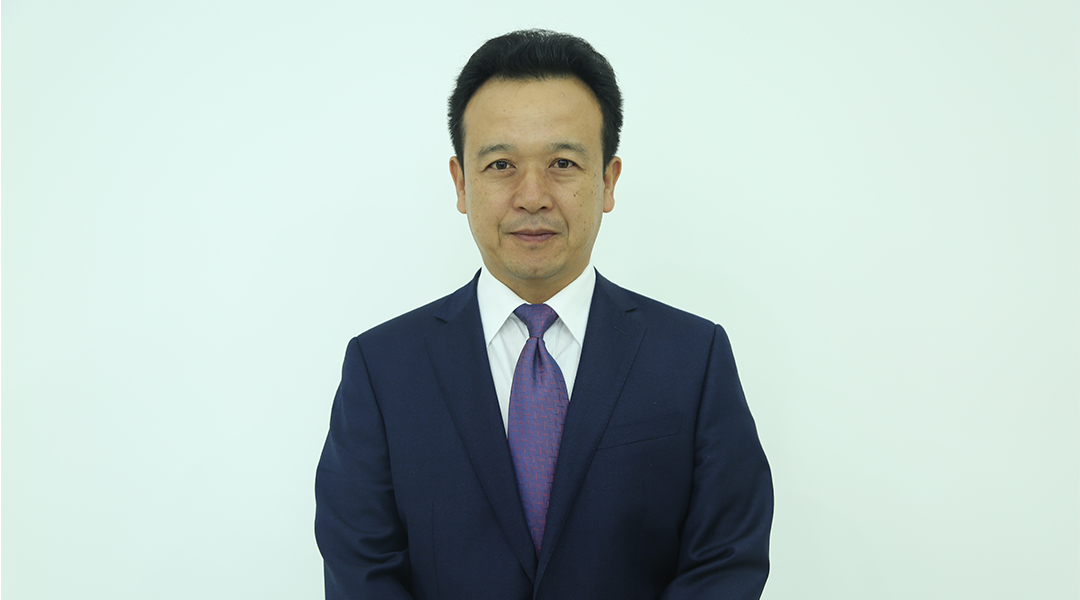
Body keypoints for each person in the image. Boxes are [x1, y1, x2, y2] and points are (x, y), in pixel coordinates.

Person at [315, 29, 773, 600]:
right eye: (501, 164)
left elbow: (726, 560)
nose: (532, 196)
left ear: (608, 180)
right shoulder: (382, 368)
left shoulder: (692, 357)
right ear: (461, 183)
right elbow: (362, 570)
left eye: (562, 162)